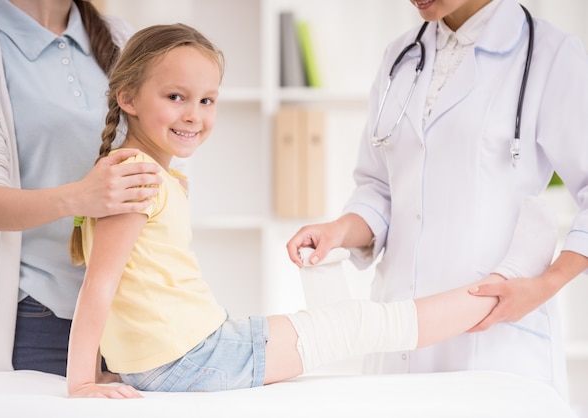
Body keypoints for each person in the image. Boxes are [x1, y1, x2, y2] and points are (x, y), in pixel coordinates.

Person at [64, 23, 558, 398]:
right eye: (176, 97)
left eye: (208, 99)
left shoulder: (140, 171)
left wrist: (123, 365)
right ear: (126, 96)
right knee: (358, 326)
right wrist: (82, 384)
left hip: (190, 351)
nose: (195, 114)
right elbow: (100, 284)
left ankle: (502, 282)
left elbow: (129, 286)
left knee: (344, 323)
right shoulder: (136, 176)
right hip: (193, 358)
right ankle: (508, 279)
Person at [286, 0, 588, 397]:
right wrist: (338, 231)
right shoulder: (400, 55)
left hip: (493, 331)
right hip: (396, 330)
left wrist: (544, 286)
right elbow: (379, 188)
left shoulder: (551, 54)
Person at [0, 0, 190, 377]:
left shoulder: (121, 36)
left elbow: (171, 162)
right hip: (48, 320)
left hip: (140, 319)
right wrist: (83, 197)